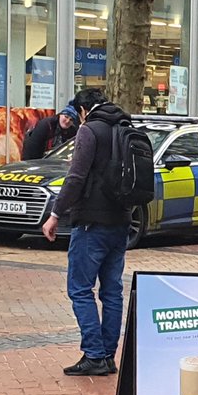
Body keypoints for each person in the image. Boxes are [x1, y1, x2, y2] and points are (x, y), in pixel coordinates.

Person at [41, 88, 130, 377]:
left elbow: (76, 176)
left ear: (82, 110)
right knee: (112, 291)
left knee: (80, 289)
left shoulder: (90, 130)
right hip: (121, 221)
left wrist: (55, 213)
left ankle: (94, 354)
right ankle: (108, 355)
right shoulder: (125, 125)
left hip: (91, 222)